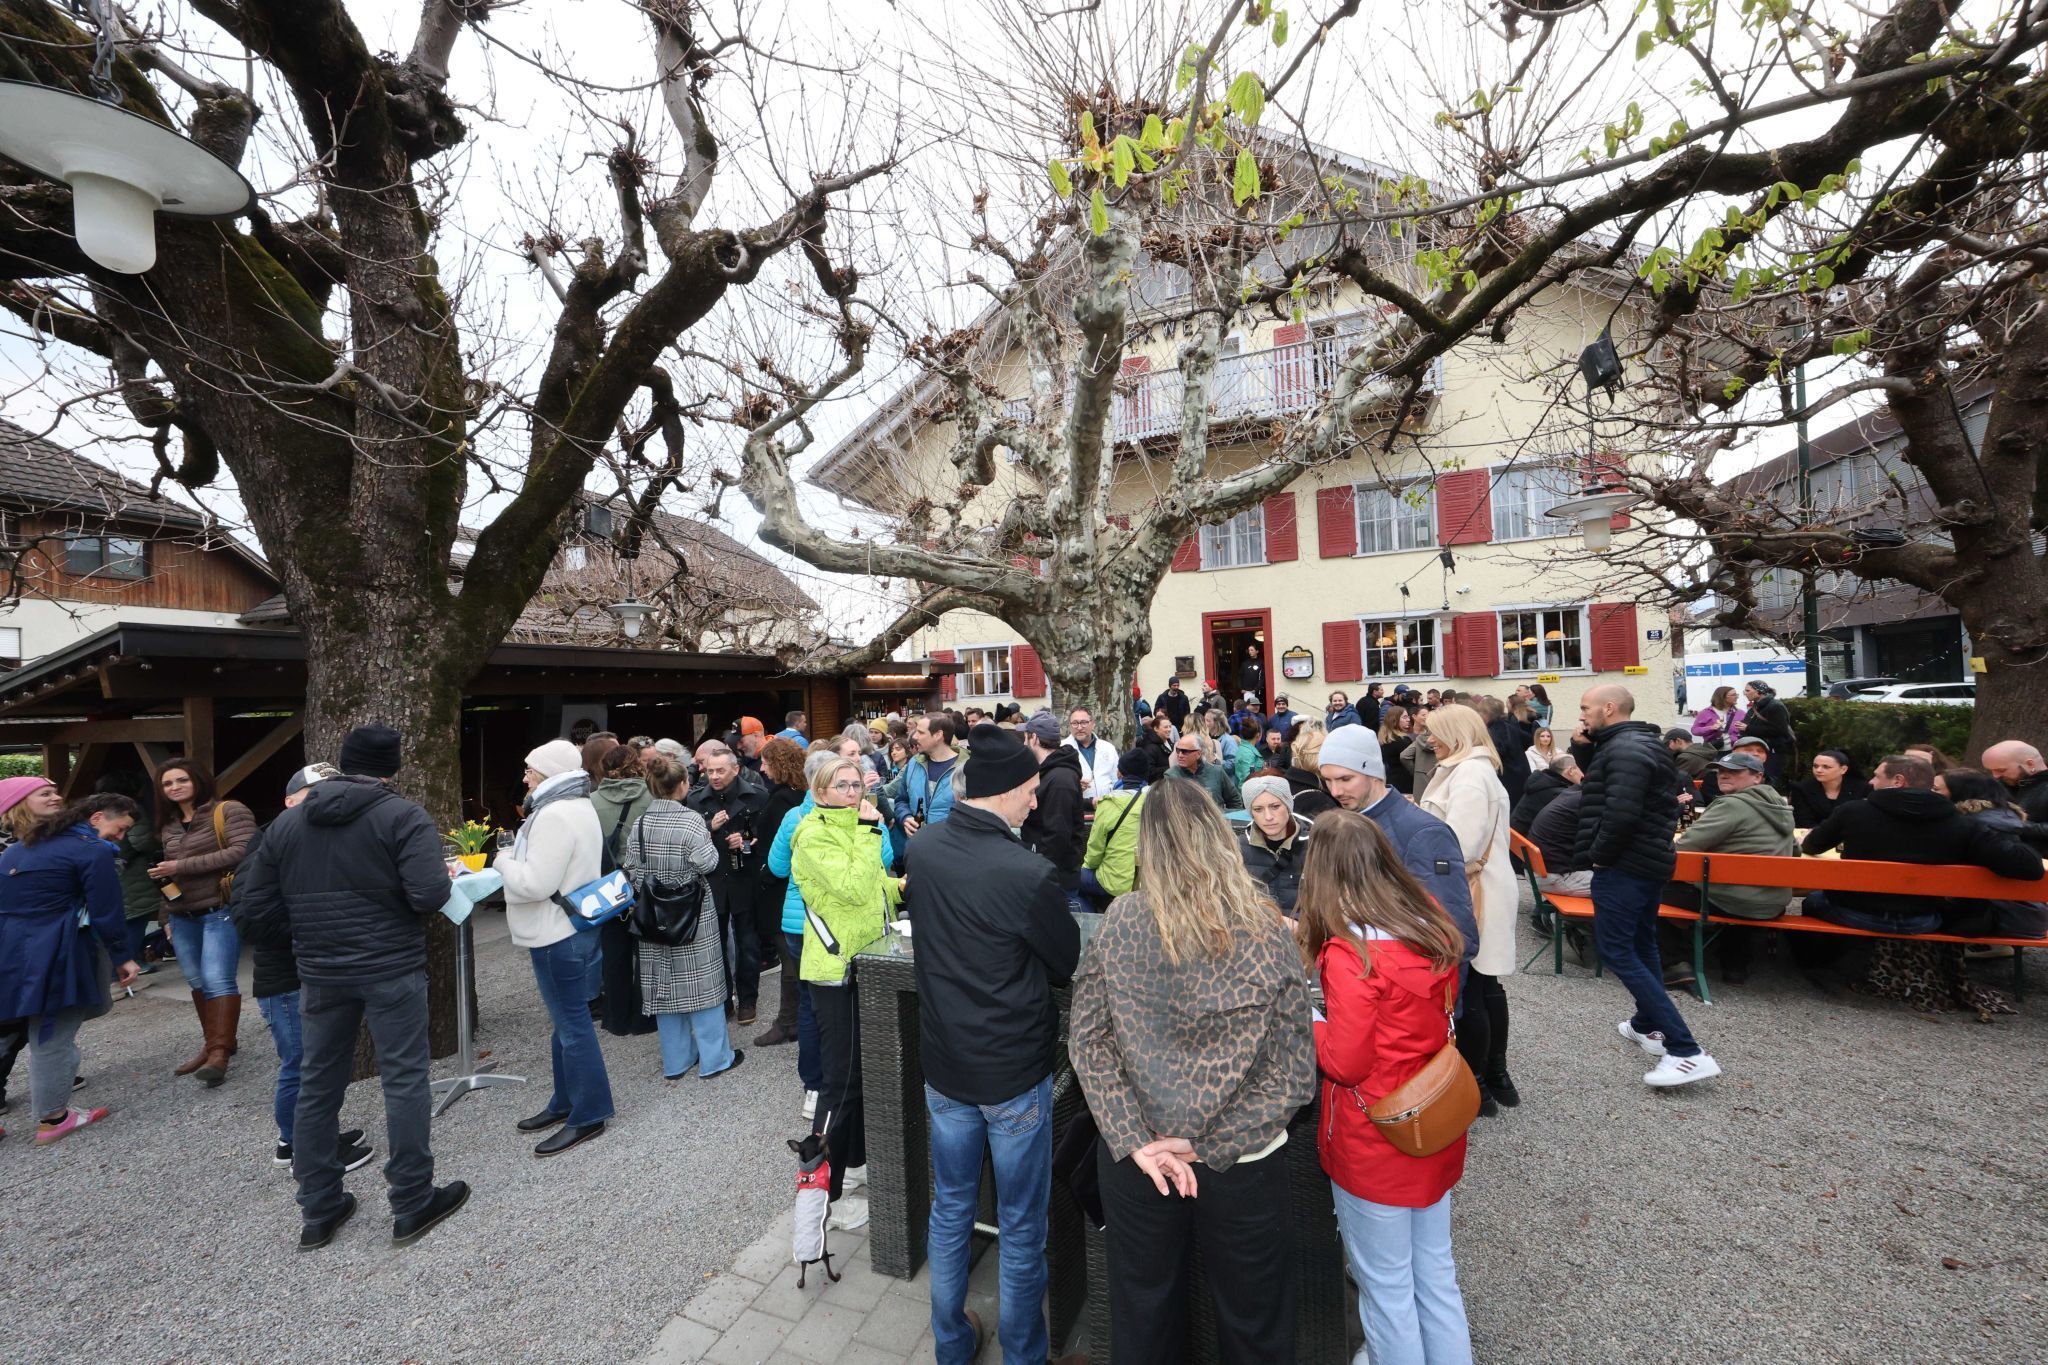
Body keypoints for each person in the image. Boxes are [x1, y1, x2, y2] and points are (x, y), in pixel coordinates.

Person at [1071, 778, 1313, 1365]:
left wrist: (1136, 1140)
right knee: (1256, 1323)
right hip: (1240, 1160)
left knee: (1143, 1319)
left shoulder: (1121, 921)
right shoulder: (1264, 929)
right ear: (1221, 837)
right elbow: (1295, 1071)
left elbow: (1088, 1041)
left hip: (1142, 1161)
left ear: (1146, 847)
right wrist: (1210, 1143)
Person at [230, 724, 469, 1249]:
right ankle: (410, 1199)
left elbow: (255, 906)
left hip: (320, 971)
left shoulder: (289, 825)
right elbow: (429, 894)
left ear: (341, 762)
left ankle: (318, 1207)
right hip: (389, 966)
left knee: (318, 1083)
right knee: (404, 1079)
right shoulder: (403, 815)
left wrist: (312, 929)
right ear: (393, 767)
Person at [907, 723, 1084, 1365]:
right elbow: (1066, 961)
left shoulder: (922, 849)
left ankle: (952, 1347)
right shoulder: (1024, 872)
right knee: (1020, 1224)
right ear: (1005, 791)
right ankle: (1023, 1355)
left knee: (951, 1208)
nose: (1036, 802)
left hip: (946, 1065)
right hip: (1011, 1072)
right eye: (1031, 791)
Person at [1298, 811, 1475, 1365]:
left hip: (1375, 1134)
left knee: (1386, 1285)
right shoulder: (1430, 923)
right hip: (1433, 1115)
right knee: (1436, 1271)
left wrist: (1311, 1021)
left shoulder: (1352, 956)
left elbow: (1346, 1062)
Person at [229, 763, 375, 1172]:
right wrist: (315, 923)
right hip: (287, 977)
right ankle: (306, 1149)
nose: (323, 801)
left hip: (318, 972)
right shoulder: (266, 845)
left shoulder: (326, 839)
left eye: (331, 792)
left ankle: (304, 1136)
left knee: (319, 1063)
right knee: (304, 1065)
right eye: (313, 793)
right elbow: (247, 918)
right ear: (289, 801)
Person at [1574, 685, 1721, 1088]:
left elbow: (1620, 812)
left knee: (1618, 950)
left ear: (1609, 708)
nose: (1581, 715)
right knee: (1641, 946)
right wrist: (1585, 746)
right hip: (1647, 862)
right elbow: (1613, 791)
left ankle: (1686, 1050)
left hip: (1626, 864)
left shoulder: (1625, 750)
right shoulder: (1638, 744)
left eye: (1586, 708)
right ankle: (1647, 1025)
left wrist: (1600, 855)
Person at [790, 755, 901, 1232]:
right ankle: (825, 1197)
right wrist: (871, 832)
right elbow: (854, 887)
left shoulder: (853, 829)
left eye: (858, 784)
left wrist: (915, 884)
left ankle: (853, 1171)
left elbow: (878, 890)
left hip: (865, 965)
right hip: (835, 971)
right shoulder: (815, 834)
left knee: (858, 1078)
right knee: (840, 1083)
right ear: (820, 793)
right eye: (842, 786)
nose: (854, 792)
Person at [0, 793, 143, 1144]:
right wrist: (123, 955)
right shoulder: (91, 851)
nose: (121, 837)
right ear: (96, 818)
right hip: (58, 949)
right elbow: (107, 910)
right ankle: (54, 1118)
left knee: (6, 1032)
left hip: (8, 948)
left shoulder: (18, 848)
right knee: (53, 1033)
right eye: (120, 828)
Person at [496, 739, 616, 1158]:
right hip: (573, 926)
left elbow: (534, 883)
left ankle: (588, 1114)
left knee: (572, 1025)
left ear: (547, 772)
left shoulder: (553, 814)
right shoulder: (578, 805)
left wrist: (502, 860)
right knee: (566, 1021)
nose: (525, 776)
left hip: (554, 932)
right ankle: (565, 1102)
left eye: (530, 769)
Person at [1801, 754, 2044, 933]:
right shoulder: (1963, 824)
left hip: (1855, 912)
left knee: (1813, 899)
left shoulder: (1854, 812)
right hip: (1923, 919)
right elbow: (2029, 867)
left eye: (1876, 776)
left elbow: (1811, 846)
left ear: (1898, 780)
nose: (1871, 782)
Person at [1418, 705, 1518, 1114]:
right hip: (1483, 886)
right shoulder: (1471, 770)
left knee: (1473, 989)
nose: (1428, 740)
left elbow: (1458, 846)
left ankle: (1477, 1084)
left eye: (1434, 732)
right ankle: (1494, 1078)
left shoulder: (1470, 775)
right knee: (1486, 986)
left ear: (1455, 733)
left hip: (1472, 891)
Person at [1316, 724, 1480, 963]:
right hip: (1365, 975)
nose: (1336, 790)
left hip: (1410, 985)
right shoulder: (1347, 822)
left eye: (1345, 778)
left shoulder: (1423, 833)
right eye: (1327, 780)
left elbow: (1457, 934)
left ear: (1374, 774)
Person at [625, 754, 742, 1081]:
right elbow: (707, 863)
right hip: (692, 910)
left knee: (664, 987)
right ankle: (714, 1059)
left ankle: (676, 1061)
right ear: (682, 785)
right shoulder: (690, 820)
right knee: (702, 985)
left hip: (652, 913)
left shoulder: (641, 824)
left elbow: (632, 870)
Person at [153, 758, 256, 1086]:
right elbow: (167, 878)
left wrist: (181, 865)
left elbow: (244, 850)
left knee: (218, 979)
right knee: (197, 981)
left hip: (219, 909)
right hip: (182, 915)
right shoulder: (168, 825)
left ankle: (219, 1054)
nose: (174, 787)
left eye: (181, 780)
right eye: (167, 783)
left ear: (198, 779)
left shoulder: (228, 811)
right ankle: (215, 1042)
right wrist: (164, 917)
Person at [1664, 751, 1797, 982]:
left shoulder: (1732, 805)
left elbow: (1686, 847)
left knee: (1649, 889)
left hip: (1736, 900)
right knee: (1737, 887)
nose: (1724, 775)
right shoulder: (1779, 805)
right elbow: (1795, 851)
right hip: (1774, 902)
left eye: (1734, 772)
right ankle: (1735, 964)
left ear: (1757, 777)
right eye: (1721, 771)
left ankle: (1674, 963)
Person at [766, 749, 840, 1118]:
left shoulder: (794, 815)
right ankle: (839, 1082)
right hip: (833, 924)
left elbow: (777, 868)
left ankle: (813, 1087)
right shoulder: (848, 814)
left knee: (810, 1005)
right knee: (837, 1005)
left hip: (798, 924)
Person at [685, 742, 771, 1026]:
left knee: (747, 943)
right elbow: (690, 842)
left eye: (720, 770)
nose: (715, 776)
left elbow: (768, 837)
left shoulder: (757, 795)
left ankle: (748, 1000)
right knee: (715, 945)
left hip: (744, 877)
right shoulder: (696, 800)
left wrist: (747, 840)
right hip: (713, 880)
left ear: (736, 769)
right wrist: (711, 829)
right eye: (710, 771)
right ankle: (723, 1001)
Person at [591, 744, 655, 1036]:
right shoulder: (652, 796)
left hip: (608, 884)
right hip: (646, 882)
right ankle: (644, 1017)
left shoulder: (591, 801)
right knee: (647, 949)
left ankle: (616, 1018)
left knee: (614, 952)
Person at [1938, 769, 2048, 940]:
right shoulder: (2002, 817)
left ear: (1960, 793)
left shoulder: (1974, 825)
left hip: (2006, 917)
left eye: (1936, 789)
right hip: (2027, 911)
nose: (1928, 792)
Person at [751, 737, 810, 1051]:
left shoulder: (780, 802)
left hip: (780, 892)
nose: (761, 767)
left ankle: (789, 1022)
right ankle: (794, 1020)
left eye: (766, 762)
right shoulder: (800, 797)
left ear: (780, 765)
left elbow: (777, 858)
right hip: (793, 891)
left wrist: (761, 875)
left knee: (790, 961)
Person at [1020, 711, 1087, 911]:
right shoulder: (1048, 772)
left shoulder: (1060, 779)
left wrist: (1039, 872)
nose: (1023, 743)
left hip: (1054, 879)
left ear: (1034, 739)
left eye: (1026, 737)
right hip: (1045, 874)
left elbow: (1058, 835)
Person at [880, 711, 962, 865]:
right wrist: (905, 817)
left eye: (920, 732)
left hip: (953, 853)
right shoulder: (914, 764)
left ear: (938, 735)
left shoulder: (966, 769)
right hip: (918, 850)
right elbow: (901, 799)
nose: (915, 736)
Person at [1082, 750, 1149, 909]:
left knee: (1070, 881)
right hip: (1149, 880)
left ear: (1119, 773)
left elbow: (1095, 851)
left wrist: (1087, 867)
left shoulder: (1108, 804)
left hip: (1115, 883)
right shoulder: (1157, 799)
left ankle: (1091, 922)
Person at [1238, 774, 1313, 913]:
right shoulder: (1238, 848)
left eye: (1275, 806)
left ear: (1288, 806)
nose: (1268, 817)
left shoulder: (1315, 845)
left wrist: (1301, 925)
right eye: (1258, 809)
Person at [1790, 750, 1871, 828]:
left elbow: (1865, 819)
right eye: (1815, 766)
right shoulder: (1802, 789)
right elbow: (1803, 821)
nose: (1818, 770)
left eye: (1826, 767)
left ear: (1843, 769)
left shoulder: (1862, 788)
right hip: (1813, 836)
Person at [1736, 680, 1796, 784]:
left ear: (1758, 692)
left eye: (1747, 690)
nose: (1745, 693)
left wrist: (1748, 728)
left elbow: (1779, 730)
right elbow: (1749, 724)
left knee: (1769, 781)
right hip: (1759, 751)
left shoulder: (1775, 706)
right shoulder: (1756, 706)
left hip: (1773, 752)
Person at [1168, 728, 1243, 810]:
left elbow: (1235, 801)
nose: (1180, 755)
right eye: (1178, 750)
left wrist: (1228, 819)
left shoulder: (1217, 772)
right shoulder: (1171, 775)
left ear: (1198, 754)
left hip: (1215, 821)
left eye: (1185, 751)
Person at [1058, 705, 1118, 803]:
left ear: (1093, 724)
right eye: (1075, 723)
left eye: (1084, 722)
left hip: (1107, 806)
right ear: (1069, 725)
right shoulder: (1061, 749)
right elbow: (1056, 782)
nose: (1079, 727)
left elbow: (1116, 779)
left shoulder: (1108, 748)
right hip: (1077, 807)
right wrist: (1073, 785)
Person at [1512, 752, 1578, 840]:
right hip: (1527, 843)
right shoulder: (1559, 794)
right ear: (1571, 771)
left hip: (1516, 838)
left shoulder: (1542, 781)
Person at [1982, 741, 2048, 823]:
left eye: (2001, 770)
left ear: (2030, 764)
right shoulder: (1998, 786)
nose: (1995, 776)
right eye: (1991, 770)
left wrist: (2014, 825)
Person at [1689, 685, 1744, 750]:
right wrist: (1711, 728)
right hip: (1713, 752)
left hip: (1735, 751)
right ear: (1722, 697)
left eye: (1737, 694)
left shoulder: (1740, 713)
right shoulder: (1705, 713)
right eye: (1733, 695)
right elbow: (1694, 730)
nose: (1737, 697)